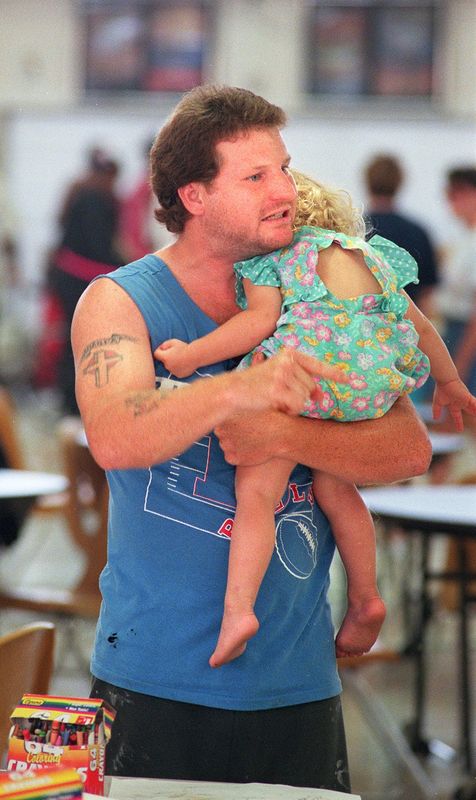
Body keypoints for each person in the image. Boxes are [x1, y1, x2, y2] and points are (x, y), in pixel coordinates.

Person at [72, 85, 432, 790]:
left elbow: (408, 449)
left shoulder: (313, 283)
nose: (285, 191)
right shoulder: (122, 300)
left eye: (285, 169)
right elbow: (114, 435)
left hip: (297, 679)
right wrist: (236, 389)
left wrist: (280, 430)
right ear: (195, 197)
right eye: (256, 176)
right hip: (157, 677)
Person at [156, 169, 476, 669]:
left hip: (312, 377)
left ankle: (238, 610)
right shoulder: (367, 254)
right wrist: (451, 382)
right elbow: (419, 325)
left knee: (257, 494)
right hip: (368, 385)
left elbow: (256, 323)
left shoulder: (274, 258)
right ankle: (366, 596)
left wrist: (190, 356)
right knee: (335, 488)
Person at [47, 147, 125, 414]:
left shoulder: (79, 192)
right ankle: (72, 402)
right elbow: (97, 246)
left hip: (68, 275)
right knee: (78, 341)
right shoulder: (96, 199)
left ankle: (69, 401)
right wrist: (131, 266)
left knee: (72, 339)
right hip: (78, 280)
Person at [364, 154, 439, 317]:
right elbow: (427, 293)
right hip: (407, 323)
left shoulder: (353, 229)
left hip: (363, 325)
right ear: (399, 183)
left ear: (367, 181)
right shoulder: (418, 231)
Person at [438, 166, 476, 401]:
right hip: (454, 329)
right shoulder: (464, 237)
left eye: (454, 195)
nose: (450, 202)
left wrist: (458, 370)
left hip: (467, 336)